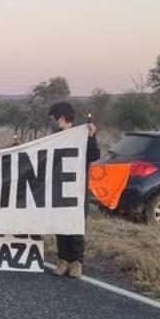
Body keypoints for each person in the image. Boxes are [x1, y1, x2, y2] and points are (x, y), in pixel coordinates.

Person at [49, 102, 100, 279]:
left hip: (77, 188)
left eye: (56, 118)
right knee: (61, 225)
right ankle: (63, 260)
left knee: (76, 226)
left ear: (62, 117)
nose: (55, 122)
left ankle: (76, 262)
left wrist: (92, 136)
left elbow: (94, 155)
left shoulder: (83, 135)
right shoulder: (55, 137)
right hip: (59, 187)